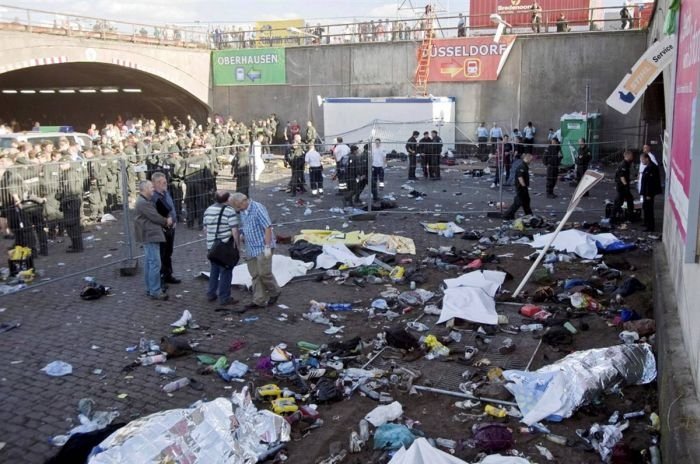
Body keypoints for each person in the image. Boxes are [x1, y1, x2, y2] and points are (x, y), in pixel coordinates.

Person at [230, 193, 280, 310]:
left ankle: (275, 291)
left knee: (264, 273)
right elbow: (246, 226)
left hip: (262, 246)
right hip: (250, 247)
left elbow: (267, 227)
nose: (238, 209)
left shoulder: (257, 208)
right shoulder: (243, 211)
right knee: (255, 274)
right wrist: (242, 235)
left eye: (238, 206)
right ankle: (259, 300)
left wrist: (267, 246)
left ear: (243, 202)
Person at [134, 180, 171, 301]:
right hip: (150, 235)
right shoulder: (143, 203)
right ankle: (155, 290)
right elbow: (154, 216)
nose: (153, 189)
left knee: (150, 263)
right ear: (144, 189)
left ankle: (151, 288)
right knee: (155, 263)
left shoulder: (144, 201)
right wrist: (166, 221)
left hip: (149, 234)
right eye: (151, 187)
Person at [203, 191, 240, 306]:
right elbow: (234, 230)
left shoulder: (208, 210)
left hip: (212, 246)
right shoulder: (230, 211)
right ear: (227, 199)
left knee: (214, 269)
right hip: (224, 247)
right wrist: (238, 246)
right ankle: (224, 297)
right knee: (226, 271)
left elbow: (205, 229)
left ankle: (211, 293)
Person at [151, 172, 180, 285]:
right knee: (161, 254)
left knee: (168, 252)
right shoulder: (153, 197)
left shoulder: (166, 193)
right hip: (161, 229)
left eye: (165, 182)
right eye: (162, 182)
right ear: (156, 183)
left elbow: (171, 208)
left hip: (170, 228)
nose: (165, 184)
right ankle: (161, 279)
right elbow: (155, 215)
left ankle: (168, 275)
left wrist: (174, 221)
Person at [503, 153, 533, 220]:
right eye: (531, 159)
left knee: (526, 201)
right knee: (518, 202)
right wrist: (524, 186)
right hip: (521, 188)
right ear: (527, 158)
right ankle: (508, 214)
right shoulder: (521, 167)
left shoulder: (524, 166)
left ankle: (529, 214)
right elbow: (520, 178)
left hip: (523, 187)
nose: (531, 161)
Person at [639, 152, 661, 232]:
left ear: (647, 158)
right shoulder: (648, 167)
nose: (642, 162)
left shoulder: (652, 168)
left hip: (649, 193)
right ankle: (646, 222)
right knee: (645, 207)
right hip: (646, 192)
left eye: (642, 160)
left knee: (649, 209)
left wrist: (649, 194)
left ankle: (650, 226)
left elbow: (651, 183)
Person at [612, 150, 635, 224]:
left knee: (629, 200)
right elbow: (622, 177)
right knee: (619, 202)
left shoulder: (627, 164)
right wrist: (625, 185)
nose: (632, 157)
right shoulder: (623, 164)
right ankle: (613, 217)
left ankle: (630, 217)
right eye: (631, 156)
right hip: (622, 187)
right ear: (627, 156)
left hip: (624, 186)